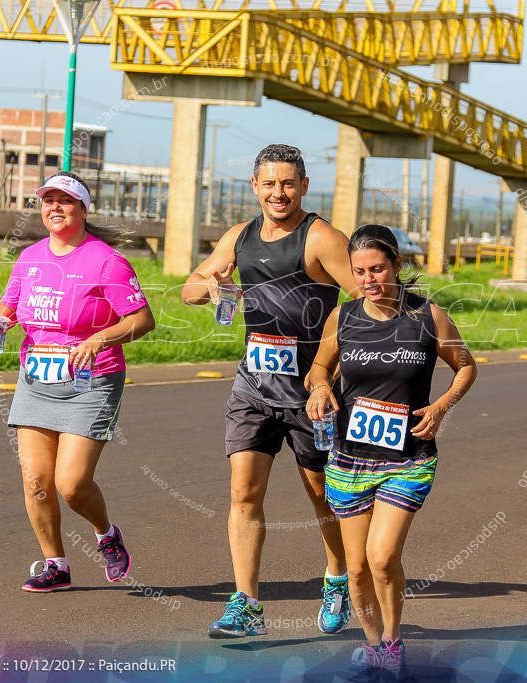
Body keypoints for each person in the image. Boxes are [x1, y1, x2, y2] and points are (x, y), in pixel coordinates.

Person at [182, 144, 360, 638]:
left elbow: (364, 306)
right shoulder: (239, 237)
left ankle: (338, 578)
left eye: (288, 183)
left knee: (323, 495)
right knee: (244, 492)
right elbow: (190, 288)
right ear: (255, 188)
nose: (277, 193)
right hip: (254, 387)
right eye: (268, 184)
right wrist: (211, 284)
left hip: (313, 394)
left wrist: (326, 373)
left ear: (304, 187)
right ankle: (246, 604)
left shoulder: (321, 238)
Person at [306, 224, 477, 677]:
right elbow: (320, 367)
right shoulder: (342, 318)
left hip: (408, 458)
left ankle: (394, 639)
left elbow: (465, 367)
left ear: (397, 266)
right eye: (360, 271)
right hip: (347, 458)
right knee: (358, 569)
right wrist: (320, 388)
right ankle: (372, 644)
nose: (368, 280)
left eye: (377, 269)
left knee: (382, 558)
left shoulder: (429, 317)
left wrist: (441, 406)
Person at [0, 171, 156, 592]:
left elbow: (143, 320)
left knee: (72, 484)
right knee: (36, 482)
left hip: (91, 381)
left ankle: (106, 535)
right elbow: (10, 305)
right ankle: (55, 565)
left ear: (83, 208)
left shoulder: (106, 261)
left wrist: (99, 337)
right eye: (48, 201)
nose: (55, 208)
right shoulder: (30, 258)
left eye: (65, 201)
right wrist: (0, 321)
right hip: (37, 378)